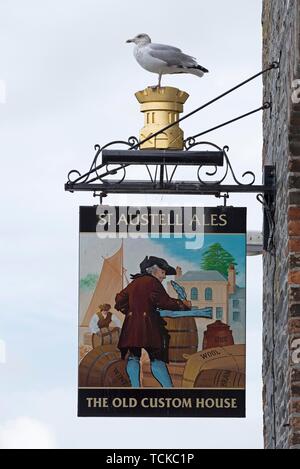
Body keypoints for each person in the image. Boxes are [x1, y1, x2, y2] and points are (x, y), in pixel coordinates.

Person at [115, 256, 191, 387]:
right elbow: (165, 302)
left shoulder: (134, 283)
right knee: (157, 359)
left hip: (131, 327)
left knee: (133, 357)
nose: (164, 276)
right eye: (163, 272)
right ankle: (169, 389)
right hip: (149, 327)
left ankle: (135, 388)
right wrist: (183, 304)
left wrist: (132, 312)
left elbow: (119, 300)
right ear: (153, 271)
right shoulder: (153, 282)